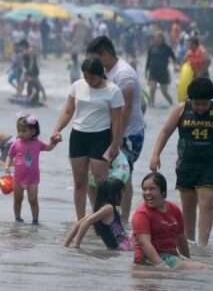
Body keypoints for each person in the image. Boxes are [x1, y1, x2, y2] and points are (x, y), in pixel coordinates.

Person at [148, 77, 213, 247]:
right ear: (190, 100)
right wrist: (155, 155)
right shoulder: (182, 109)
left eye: (204, 104)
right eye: (197, 104)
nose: (201, 108)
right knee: (188, 208)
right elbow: (165, 132)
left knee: (207, 202)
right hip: (186, 166)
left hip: (211, 166)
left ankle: (203, 246)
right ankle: (189, 244)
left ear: (210, 100)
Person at [51, 57, 124, 220]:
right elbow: (68, 111)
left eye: (92, 78)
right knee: (79, 182)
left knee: (101, 184)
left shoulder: (114, 91)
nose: (89, 81)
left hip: (101, 138)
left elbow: (117, 120)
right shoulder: (77, 86)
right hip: (78, 137)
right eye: (86, 77)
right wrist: (57, 130)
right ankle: (80, 220)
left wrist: (115, 143)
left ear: (101, 74)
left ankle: (104, 221)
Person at [87, 36, 144, 224]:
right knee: (97, 176)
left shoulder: (123, 75)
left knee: (124, 176)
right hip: (110, 132)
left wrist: (117, 139)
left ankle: (124, 221)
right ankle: (103, 217)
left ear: (104, 54)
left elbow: (126, 110)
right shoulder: (107, 71)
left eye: (95, 58)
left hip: (128, 134)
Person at [132, 173, 210, 270]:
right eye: (144, 189)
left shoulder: (174, 209)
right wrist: (161, 265)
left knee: (203, 267)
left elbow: (181, 239)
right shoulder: (142, 214)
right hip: (147, 258)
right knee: (202, 268)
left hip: (170, 256)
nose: (147, 192)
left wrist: (189, 260)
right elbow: (145, 244)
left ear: (163, 192)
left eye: (152, 189)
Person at [5, 114, 56, 224]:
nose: (21, 133)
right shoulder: (16, 144)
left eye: (24, 131)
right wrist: (7, 166)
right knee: (17, 200)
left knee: (33, 200)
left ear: (33, 131)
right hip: (18, 179)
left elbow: (48, 148)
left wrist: (54, 142)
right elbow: (10, 156)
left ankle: (35, 220)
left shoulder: (37, 143)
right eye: (19, 131)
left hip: (32, 179)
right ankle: (17, 218)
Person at [64, 178, 133, 250]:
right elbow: (86, 223)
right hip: (124, 246)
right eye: (121, 193)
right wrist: (76, 245)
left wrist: (66, 244)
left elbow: (78, 224)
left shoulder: (100, 210)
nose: (123, 195)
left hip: (117, 247)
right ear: (112, 194)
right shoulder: (109, 208)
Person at [144, 31, 176, 107]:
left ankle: (172, 103)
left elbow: (174, 58)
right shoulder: (151, 48)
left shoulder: (167, 48)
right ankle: (152, 104)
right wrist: (146, 70)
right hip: (153, 72)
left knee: (164, 92)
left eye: (159, 37)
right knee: (152, 89)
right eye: (155, 37)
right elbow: (148, 59)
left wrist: (175, 65)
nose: (157, 39)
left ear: (162, 38)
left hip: (163, 72)